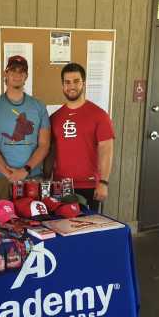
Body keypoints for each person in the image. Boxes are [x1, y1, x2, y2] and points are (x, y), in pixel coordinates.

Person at [0, 55, 51, 205]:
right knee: (1, 224)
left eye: (21, 71)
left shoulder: (39, 106)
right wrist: (9, 174)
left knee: (35, 222)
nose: (17, 75)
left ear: (26, 76)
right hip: (2, 178)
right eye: (13, 71)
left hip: (32, 176)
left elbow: (44, 145)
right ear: (6, 74)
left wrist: (24, 170)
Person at [48, 62, 114, 212]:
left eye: (76, 81)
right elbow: (51, 152)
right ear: (62, 85)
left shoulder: (99, 115)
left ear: (84, 83)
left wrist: (103, 182)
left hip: (89, 186)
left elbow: (106, 150)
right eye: (67, 82)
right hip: (60, 185)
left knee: (87, 230)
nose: (72, 86)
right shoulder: (55, 118)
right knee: (61, 229)